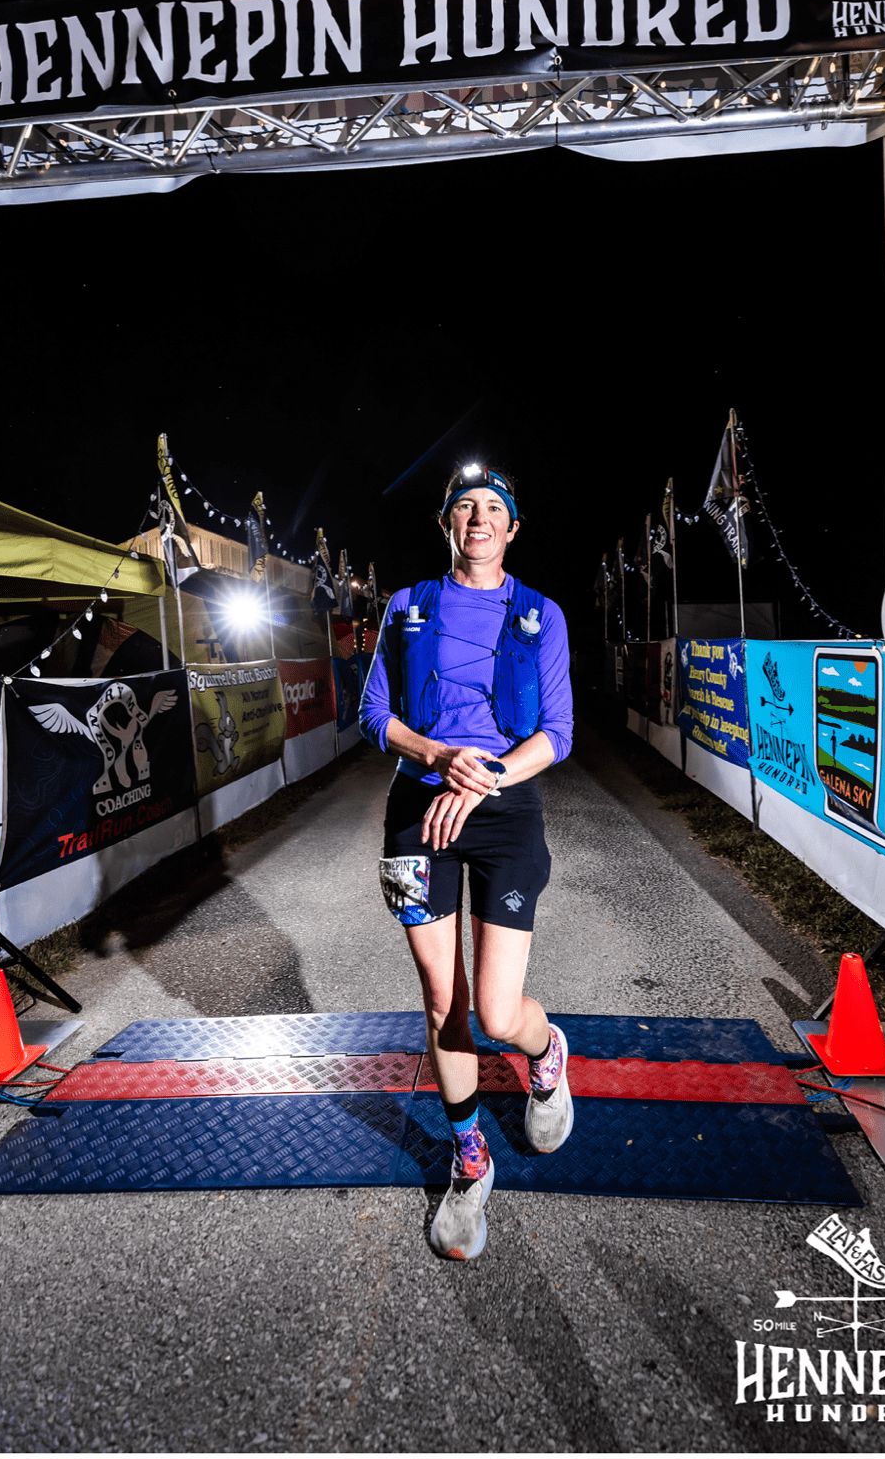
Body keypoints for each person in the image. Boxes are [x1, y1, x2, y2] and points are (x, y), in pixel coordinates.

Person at [359, 461, 574, 1260]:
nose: (478, 518)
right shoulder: (406, 605)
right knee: (443, 1000)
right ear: (446, 522)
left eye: (493, 508)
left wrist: (482, 777)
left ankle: (545, 1054)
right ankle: (470, 1156)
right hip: (420, 807)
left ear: (512, 528)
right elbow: (373, 713)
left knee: (496, 1011)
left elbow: (557, 734)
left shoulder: (540, 613)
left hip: (505, 807)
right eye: (464, 507)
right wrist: (439, 755)